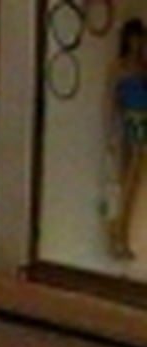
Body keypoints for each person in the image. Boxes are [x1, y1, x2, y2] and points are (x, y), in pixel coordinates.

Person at [105, 17, 147, 259]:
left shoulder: (143, 67)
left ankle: (123, 236)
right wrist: (112, 133)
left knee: (135, 187)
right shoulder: (119, 67)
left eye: (140, 38)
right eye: (133, 38)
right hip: (128, 124)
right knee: (125, 184)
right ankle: (116, 237)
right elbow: (112, 102)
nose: (136, 43)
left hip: (142, 123)